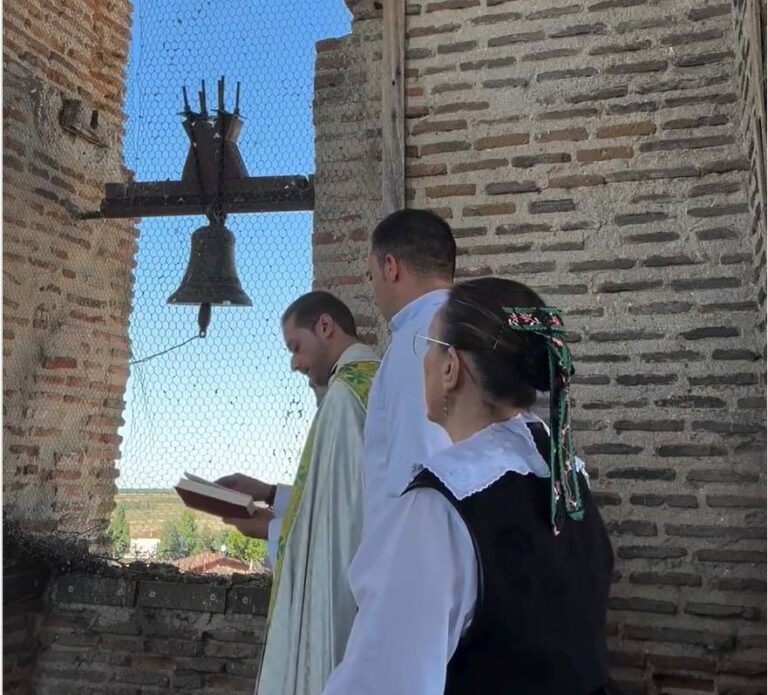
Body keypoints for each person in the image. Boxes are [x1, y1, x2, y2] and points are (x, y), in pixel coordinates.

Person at [324, 278, 616, 695]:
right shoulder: (566, 476)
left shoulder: (440, 507)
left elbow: (383, 682)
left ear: (450, 367)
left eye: (429, 343)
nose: (423, 357)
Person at [216, 291, 380, 695]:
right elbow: (344, 496)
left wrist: (268, 530)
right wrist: (271, 493)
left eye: (296, 347)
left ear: (325, 327)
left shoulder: (345, 397)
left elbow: (340, 528)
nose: (294, 363)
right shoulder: (376, 381)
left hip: (341, 606)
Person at [362, 208, 455, 534]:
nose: (373, 294)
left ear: (390, 267)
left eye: (371, 276)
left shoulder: (417, 343)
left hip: (426, 561)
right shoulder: (478, 323)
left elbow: (419, 478)